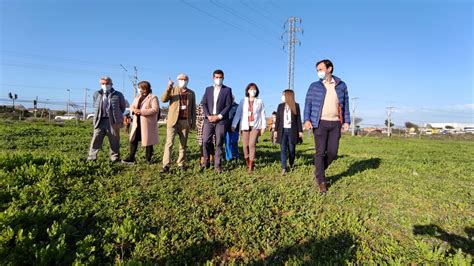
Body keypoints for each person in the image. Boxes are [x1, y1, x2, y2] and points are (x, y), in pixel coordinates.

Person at [304, 59, 350, 194]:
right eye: (317, 70)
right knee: (320, 151)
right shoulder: (314, 86)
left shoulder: (341, 85)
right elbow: (308, 104)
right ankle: (321, 181)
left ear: (329, 69)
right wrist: (307, 119)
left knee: (332, 152)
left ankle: (319, 171)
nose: (319, 72)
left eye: (320, 69)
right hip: (320, 123)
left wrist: (346, 121)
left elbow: (345, 105)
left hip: (335, 123)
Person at [160, 74, 196, 172]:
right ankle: (166, 165)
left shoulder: (191, 93)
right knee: (169, 143)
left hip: (185, 121)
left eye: (185, 79)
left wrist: (193, 122)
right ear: (177, 80)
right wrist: (168, 87)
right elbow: (163, 99)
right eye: (180, 79)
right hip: (173, 121)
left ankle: (181, 163)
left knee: (183, 144)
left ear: (188, 81)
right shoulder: (172, 90)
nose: (183, 81)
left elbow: (193, 109)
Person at [200, 69, 233, 173]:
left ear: (223, 78)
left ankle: (217, 165)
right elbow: (204, 103)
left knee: (219, 143)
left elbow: (229, 105)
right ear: (213, 78)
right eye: (216, 77)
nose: (218, 79)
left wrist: (219, 116)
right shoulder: (208, 89)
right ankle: (206, 161)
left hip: (221, 121)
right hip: (208, 119)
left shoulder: (227, 90)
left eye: (220, 77)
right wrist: (208, 115)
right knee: (205, 140)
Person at [87, 76, 126, 162]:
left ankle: (115, 157)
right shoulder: (97, 93)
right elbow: (95, 105)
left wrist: (116, 115)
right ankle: (92, 157)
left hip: (113, 121)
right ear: (100, 84)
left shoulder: (118, 94)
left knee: (114, 140)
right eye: (103, 83)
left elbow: (122, 107)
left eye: (107, 83)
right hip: (100, 120)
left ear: (111, 84)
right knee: (96, 138)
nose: (105, 85)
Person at [232, 83, 266, 172]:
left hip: (255, 126)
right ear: (247, 91)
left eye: (254, 89)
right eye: (251, 89)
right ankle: (247, 159)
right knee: (245, 145)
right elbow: (238, 113)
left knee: (252, 144)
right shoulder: (243, 101)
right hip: (245, 125)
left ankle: (251, 164)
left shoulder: (260, 101)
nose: (252, 91)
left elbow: (262, 114)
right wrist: (234, 125)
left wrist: (263, 127)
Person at [122, 81, 159, 164]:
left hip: (147, 123)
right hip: (137, 122)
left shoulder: (153, 97)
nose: (138, 89)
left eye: (140, 88)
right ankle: (131, 158)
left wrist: (141, 111)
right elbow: (132, 106)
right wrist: (133, 110)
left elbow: (155, 109)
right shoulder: (137, 97)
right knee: (133, 140)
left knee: (148, 141)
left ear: (145, 88)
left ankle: (148, 159)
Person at [275, 89, 303, 176]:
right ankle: (284, 167)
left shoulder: (296, 106)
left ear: (288, 96)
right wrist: (276, 130)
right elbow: (278, 120)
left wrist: (300, 131)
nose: (282, 97)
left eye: (284, 95)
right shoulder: (280, 106)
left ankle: (291, 163)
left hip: (292, 131)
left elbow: (298, 119)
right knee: (283, 149)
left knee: (291, 149)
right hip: (282, 130)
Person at [225, 95, 239, 161]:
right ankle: (229, 158)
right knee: (227, 142)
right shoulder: (224, 106)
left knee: (234, 142)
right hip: (226, 128)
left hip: (235, 128)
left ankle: (235, 156)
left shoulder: (237, 106)